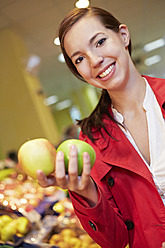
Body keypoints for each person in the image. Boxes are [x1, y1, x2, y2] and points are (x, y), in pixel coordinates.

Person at [37, 7, 165, 248]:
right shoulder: (92, 139)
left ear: (123, 36)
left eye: (100, 42)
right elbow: (115, 240)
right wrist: (85, 191)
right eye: (80, 59)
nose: (95, 60)